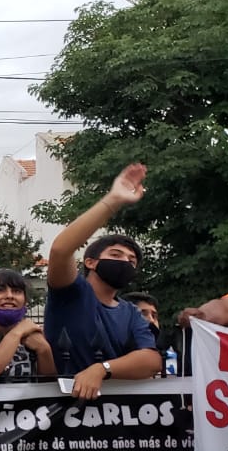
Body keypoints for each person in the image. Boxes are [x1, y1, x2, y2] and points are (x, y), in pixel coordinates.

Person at [44, 163, 161, 398]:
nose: (125, 262)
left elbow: (151, 359)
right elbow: (60, 250)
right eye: (116, 255)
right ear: (90, 262)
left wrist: (102, 369)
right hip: (61, 415)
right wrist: (113, 200)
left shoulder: (131, 312)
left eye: (132, 260)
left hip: (114, 421)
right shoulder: (72, 292)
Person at [0, 269, 57, 382]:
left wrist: (44, 350)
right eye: (0, 290)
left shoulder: (36, 333)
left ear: (25, 301)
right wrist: (17, 332)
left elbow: (48, 384)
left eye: (16, 291)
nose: (10, 296)